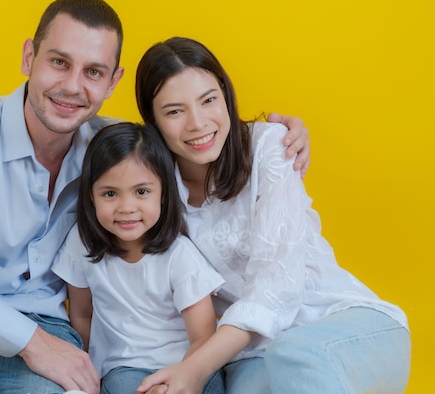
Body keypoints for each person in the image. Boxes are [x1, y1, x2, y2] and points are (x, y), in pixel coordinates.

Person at [0, 0, 310, 394]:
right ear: (29, 56)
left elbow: (192, 137)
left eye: (93, 72)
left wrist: (267, 134)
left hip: (45, 331)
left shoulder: (116, 150)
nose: (72, 86)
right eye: (58, 62)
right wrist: (29, 342)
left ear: (112, 82)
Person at [133, 37, 411, 394]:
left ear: (226, 95)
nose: (198, 123)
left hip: (345, 324)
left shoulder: (270, 147)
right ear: (151, 120)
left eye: (209, 100)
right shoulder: (148, 183)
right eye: (174, 111)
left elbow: (274, 288)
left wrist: (193, 370)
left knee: (295, 352)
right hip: (253, 353)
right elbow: (85, 131)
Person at [52, 122, 225, 394]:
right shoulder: (81, 243)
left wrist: (179, 380)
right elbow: (82, 314)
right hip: (125, 368)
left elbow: (204, 337)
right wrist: (84, 374)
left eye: (141, 192)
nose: (127, 208)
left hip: (189, 366)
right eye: (110, 194)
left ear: (164, 194)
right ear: (91, 196)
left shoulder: (179, 255)